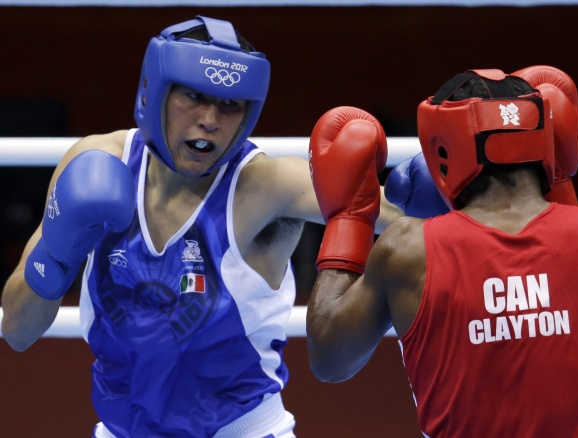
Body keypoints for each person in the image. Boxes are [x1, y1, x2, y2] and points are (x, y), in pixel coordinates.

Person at [0, 16, 402, 438]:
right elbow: (17, 330)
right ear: (155, 92)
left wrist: (430, 187)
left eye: (231, 104)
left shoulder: (266, 185)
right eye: (194, 96)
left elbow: (400, 218)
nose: (210, 119)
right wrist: (56, 254)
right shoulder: (98, 162)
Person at [306, 67, 578, 437]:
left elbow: (330, 360)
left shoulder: (410, 252)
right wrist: (556, 180)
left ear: (442, 148)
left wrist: (347, 219)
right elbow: (566, 260)